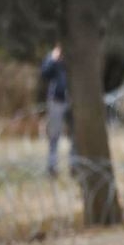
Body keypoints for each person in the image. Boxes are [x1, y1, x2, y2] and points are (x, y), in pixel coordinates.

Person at [40, 45, 73, 177]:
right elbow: (44, 73)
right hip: (56, 101)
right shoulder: (53, 59)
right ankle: (52, 167)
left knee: (74, 135)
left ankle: (74, 165)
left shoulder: (74, 57)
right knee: (54, 135)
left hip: (72, 101)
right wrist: (53, 59)